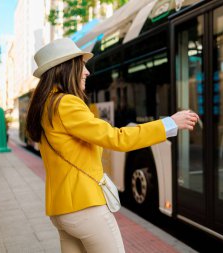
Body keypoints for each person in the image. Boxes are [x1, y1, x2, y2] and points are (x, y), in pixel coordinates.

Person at [25, 38, 199, 253]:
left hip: (61, 210)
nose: (87, 72)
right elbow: (116, 138)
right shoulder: (66, 103)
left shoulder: (45, 106)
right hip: (85, 207)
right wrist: (170, 123)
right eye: (82, 65)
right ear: (66, 69)